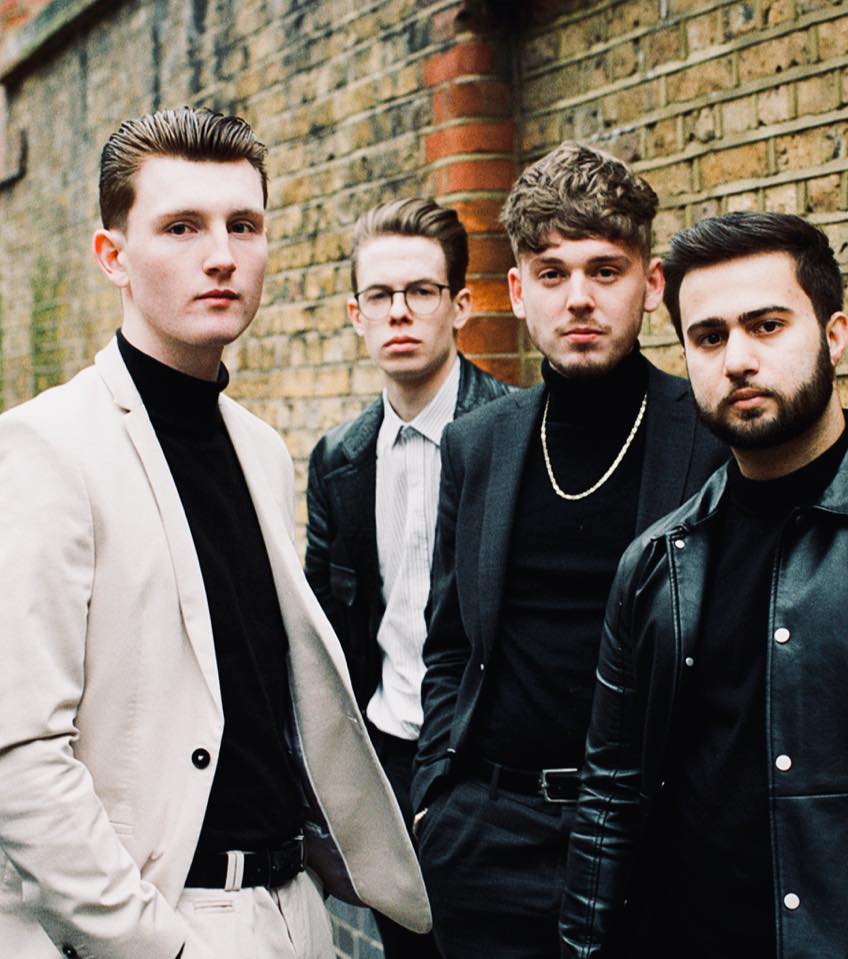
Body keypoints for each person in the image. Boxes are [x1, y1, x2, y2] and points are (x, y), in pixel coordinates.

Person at [0, 106, 430, 959]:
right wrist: (157, 945)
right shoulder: (48, 447)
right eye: (181, 227)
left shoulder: (259, 448)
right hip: (165, 918)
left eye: (244, 224)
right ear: (112, 256)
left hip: (292, 908)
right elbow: (20, 754)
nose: (223, 254)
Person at [560, 210, 848, 958]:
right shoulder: (655, 563)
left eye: (766, 325)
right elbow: (610, 792)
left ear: (834, 336)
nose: (737, 359)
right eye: (709, 337)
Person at [412, 141, 727, 958]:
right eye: (552, 273)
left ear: (650, 285)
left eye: (604, 270)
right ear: (518, 291)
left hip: (652, 837)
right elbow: (450, 641)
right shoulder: (478, 443)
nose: (578, 297)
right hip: (486, 836)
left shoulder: (710, 437)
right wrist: (436, 798)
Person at [304, 197, 510, 957]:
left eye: (421, 291)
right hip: (389, 758)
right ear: (355, 314)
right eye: (380, 295)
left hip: (492, 767)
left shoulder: (518, 431)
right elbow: (324, 630)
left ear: (461, 305)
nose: (399, 311)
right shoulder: (339, 459)